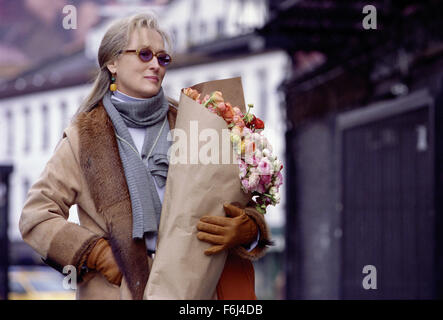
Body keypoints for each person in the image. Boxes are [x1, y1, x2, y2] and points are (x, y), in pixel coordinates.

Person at [19, 12, 271, 300]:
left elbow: (238, 202)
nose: (155, 65)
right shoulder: (83, 137)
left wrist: (248, 230)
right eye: (144, 54)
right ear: (112, 62)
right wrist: (97, 253)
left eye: (163, 59)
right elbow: (36, 215)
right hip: (116, 292)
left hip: (193, 292)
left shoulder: (195, 123)